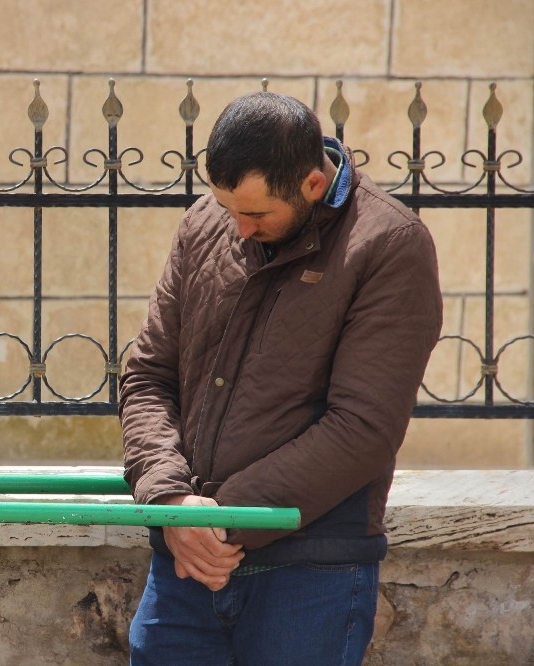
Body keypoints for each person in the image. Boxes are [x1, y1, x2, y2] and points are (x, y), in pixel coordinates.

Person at [120, 92, 442, 665]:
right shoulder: (205, 220)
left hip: (310, 574)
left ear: (313, 185)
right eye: (228, 209)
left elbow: (363, 427)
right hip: (186, 561)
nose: (239, 229)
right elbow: (147, 375)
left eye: (257, 215)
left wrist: (219, 520)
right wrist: (169, 498)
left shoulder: (391, 245)